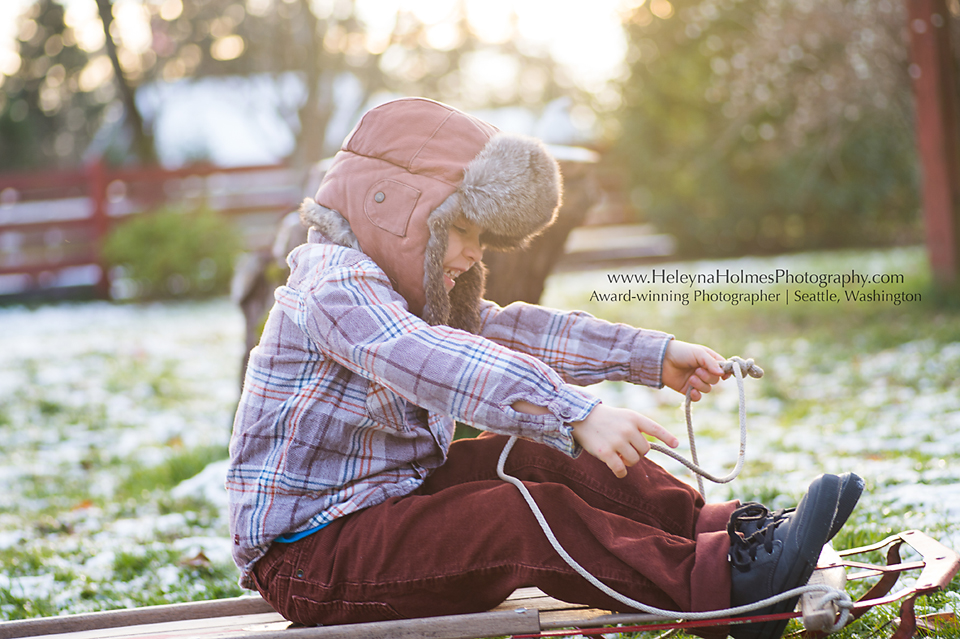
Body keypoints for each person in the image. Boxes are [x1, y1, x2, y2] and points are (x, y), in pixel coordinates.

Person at [226, 97, 861, 639]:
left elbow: (515, 332)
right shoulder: (333, 287)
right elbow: (429, 360)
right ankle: (724, 593)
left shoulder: (408, 293)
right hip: (310, 558)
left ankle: (734, 542)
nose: (475, 253)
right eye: (462, 231)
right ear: (393, 208)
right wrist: (573, 410)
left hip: (388, 507)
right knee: (516, 518)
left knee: (538, 459)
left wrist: (650, 355)